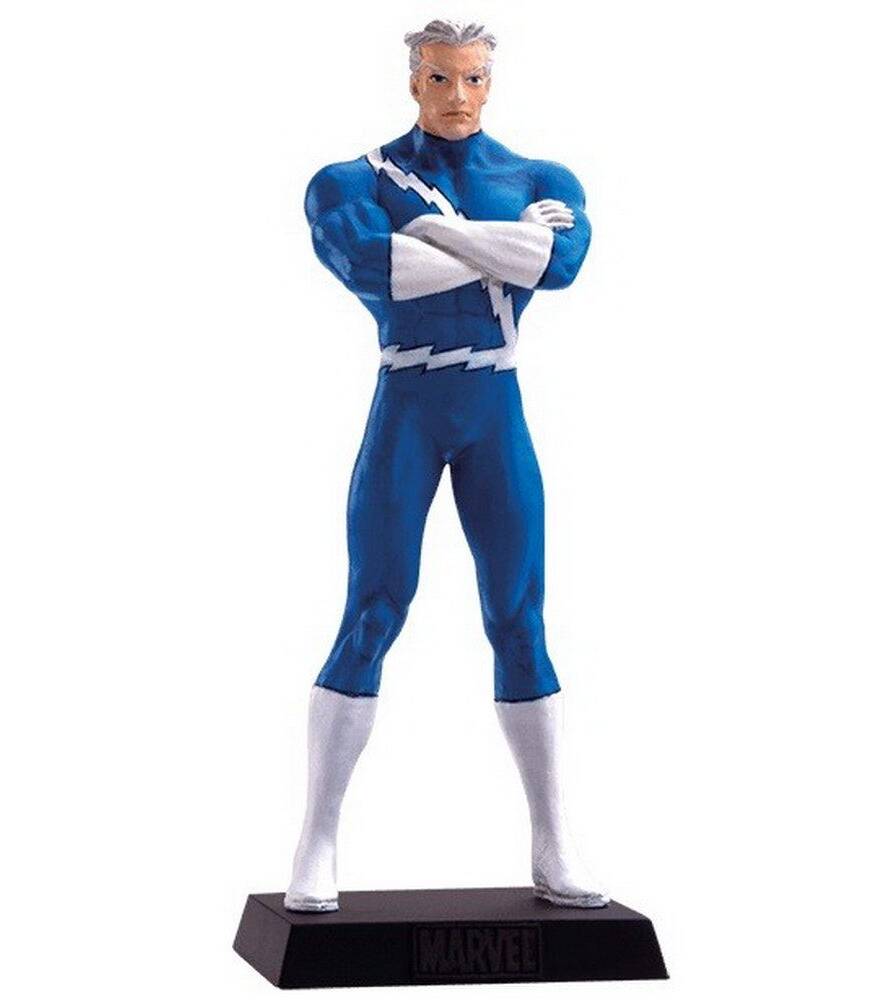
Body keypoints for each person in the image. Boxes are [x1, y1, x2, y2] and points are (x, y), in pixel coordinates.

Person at [286, 19, 609, 912]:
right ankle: (316, 840)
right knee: (373, 609)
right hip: (408, 403)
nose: (458, 96)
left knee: (519, 617)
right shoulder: (351, 180)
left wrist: (434, 233)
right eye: (440, 78)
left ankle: (553, 841)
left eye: (473, 78)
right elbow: (377, 265)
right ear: (414, 80)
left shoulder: (542, 178)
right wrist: (502, 245)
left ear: (490, 81)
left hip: (494, 404)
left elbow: (560, 264)